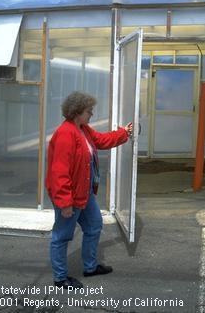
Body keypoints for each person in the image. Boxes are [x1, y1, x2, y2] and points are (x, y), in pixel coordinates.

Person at [45, 91, 133, 289]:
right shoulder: (66, 134)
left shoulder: (82, 129)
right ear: (77, 112)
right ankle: (60, 279)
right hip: (70, 196)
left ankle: (90, 267)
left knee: (94, 226)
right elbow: (59, 173)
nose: (91, 114)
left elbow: (101, 141)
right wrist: (65, 203)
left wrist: (123, 133)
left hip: (83, 193)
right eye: (88, 111)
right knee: (62, 236)